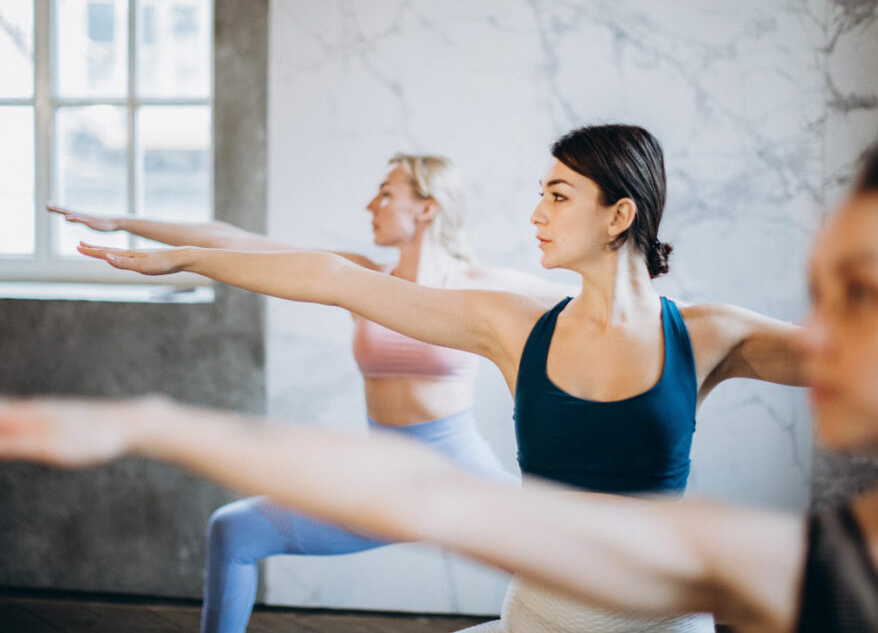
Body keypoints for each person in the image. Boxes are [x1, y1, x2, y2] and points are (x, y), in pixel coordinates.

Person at [3, 138, 878, 631]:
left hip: (661, 606)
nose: (536, 211)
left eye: (557, 195)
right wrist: (185, 257)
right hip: (539, 606)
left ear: (619, 216)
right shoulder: (510, 323)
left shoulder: (709, 334)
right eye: (538, 191)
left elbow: (846, 356)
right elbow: (334, 276)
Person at [49, 154, 572, 633]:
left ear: (428, 208)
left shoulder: (481, 283)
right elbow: (233, 240)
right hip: (382, 478)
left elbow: (596, 301)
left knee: (574, 573)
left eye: (387, 193)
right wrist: (123, 222)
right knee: (233, 532)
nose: (372, 204)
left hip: (461, 474)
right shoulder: (359, 276)